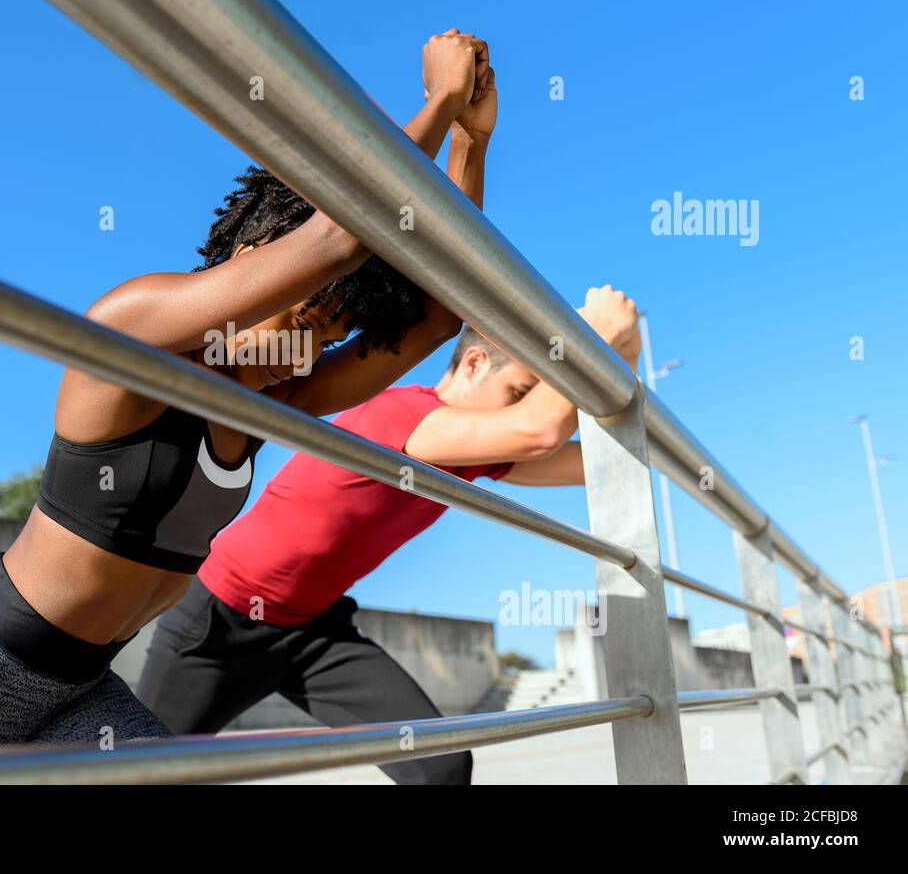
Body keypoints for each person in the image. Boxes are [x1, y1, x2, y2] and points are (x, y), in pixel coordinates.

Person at [0, 29, 496, 754]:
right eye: (301, 320)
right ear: (252, 263)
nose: (304, 353)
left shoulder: (268, 401)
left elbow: (436, 319)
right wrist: (437, 101)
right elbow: (335, 240)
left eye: (324, 340)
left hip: (84, 687)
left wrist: (469, 141)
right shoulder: (134, 332)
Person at [136, 288, 641, 784]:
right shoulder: (406, 417)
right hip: (217, 621)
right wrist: (594, 339)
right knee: (140, 775)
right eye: (516, 393)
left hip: (312, 632)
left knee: (440, 767)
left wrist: (623, 359)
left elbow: (590, 462)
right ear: (472, 364)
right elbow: (538, 431)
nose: (519, 410)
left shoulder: (473, 453)